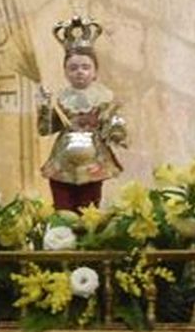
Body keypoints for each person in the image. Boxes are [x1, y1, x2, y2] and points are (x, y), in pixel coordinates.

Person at [36, 13, 127, 210]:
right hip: (63, 161)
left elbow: (113, 120)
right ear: (66, 72)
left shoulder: (104, 97)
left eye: (85, 67)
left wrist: (117, 131)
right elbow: (45, 129)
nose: (79, 72)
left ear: (95, 71)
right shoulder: (61, 100)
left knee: (89, 209)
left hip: (92, 158)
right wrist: (44, 106)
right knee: (62, 207)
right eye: (73, 67)